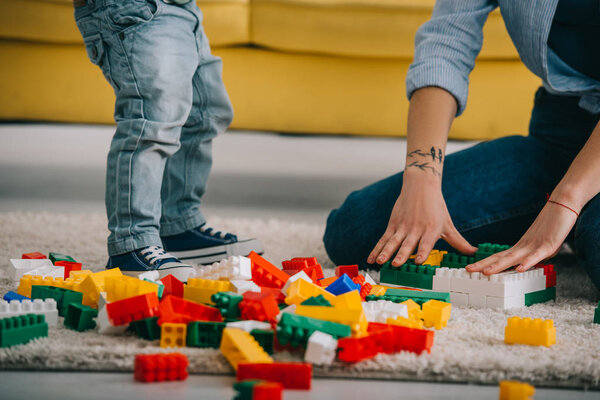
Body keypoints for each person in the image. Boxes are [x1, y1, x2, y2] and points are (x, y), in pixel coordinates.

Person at [323, 0, 600, 290]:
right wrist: (422, 176)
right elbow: (446, 46)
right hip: (559, 132)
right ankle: (570, 226)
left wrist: (567, 200)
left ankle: (577, 224)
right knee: (356, 230)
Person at [73, 0, 262, 281]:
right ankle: (132, 242)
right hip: (133, 9)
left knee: (205, 113)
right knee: (152, 119)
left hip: (183, 9)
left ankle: (177, 223)